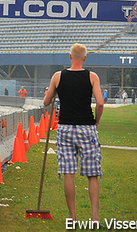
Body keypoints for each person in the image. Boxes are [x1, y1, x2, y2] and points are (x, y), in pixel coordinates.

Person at [44, 43, 103, 225]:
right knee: (92, 174)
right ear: (84, 58)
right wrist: (97, 120)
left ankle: (72, 217)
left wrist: (53, 92)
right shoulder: (92, 76)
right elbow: (100, 103)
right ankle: (94, 218)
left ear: (69, 57)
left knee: (69, 172)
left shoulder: (58, 76)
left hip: (65, 128)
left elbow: (46, 101)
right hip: (87, 127)